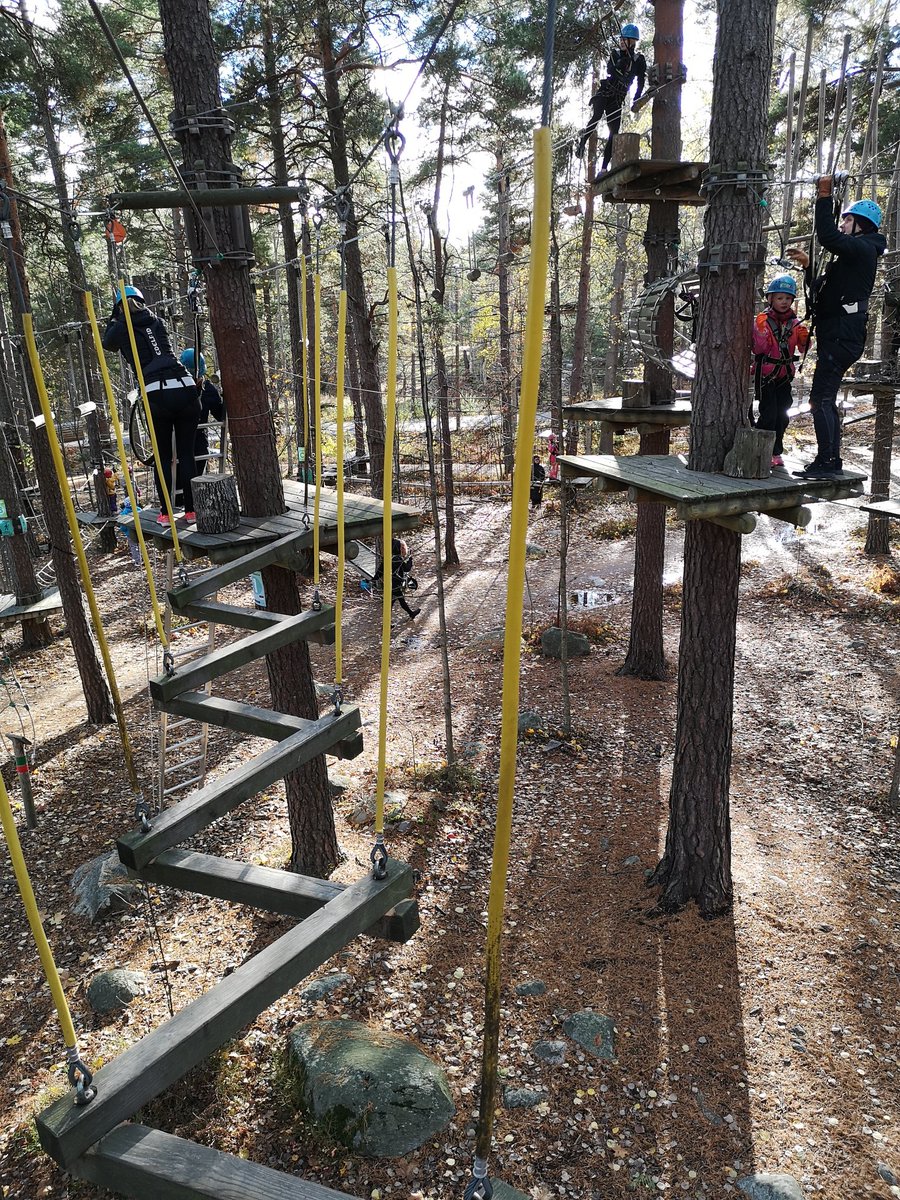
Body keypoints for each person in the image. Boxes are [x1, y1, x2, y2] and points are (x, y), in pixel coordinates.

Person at [787, 177, 886, 478]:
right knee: (824, 398)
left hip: (843, 335)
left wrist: (824, 196)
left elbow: (828, 237)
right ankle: (829, 460)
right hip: (840, 334)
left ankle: (828, 462)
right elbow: (822, 291)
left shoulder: (864, 249)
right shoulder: (855, 255)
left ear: (862, 224)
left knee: (821, 399)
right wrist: (808, 268)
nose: (843, 226)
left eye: (847, 221)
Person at [102, 286, 201, 524]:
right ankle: (191, 511)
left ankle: (167, 513)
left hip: (157, 392)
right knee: (187, 454)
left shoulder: (120, 327)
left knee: (164, 457)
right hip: (185, 386)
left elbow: (108, 343)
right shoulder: (156, 321)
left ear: (119, 307)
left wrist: (114, 317)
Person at [751, 275, 809, 468]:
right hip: (766, 375)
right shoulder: (763, 321)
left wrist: (805, 339)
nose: (784, 302)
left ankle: (775, 452)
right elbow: (758, 350)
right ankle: (759, 450)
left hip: (784, 375)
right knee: (770, 415)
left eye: (787, 298)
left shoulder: (795, 323)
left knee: (782, 416)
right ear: (771, 299)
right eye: (779, 298)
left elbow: (803, 349)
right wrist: (760, 333)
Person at [575, 23, 646, 174]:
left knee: (613, 133)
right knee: (597, 115)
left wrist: (637, 97)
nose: (620, 42)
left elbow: (640, 81)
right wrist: (619, 65)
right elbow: (610, 70)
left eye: (624, 40)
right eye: (620, 39)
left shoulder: (639, 60)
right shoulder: (615, 55)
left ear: (632, 41)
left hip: (617, 98)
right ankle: (582, 143)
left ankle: (603, 167)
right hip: (606, 91)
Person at [179, 348, 225, 479]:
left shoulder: (208, 390)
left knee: (194, 482)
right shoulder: (176, 388)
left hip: (198, 446)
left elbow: (220, 414)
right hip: (178, 446)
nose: (194, 380)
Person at [373, 537, 420, 620]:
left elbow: (380, 570)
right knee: (396, 601)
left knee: (398, 601)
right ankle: (389, 621)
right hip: (395, 584)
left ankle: (410, 614)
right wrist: (410, 559)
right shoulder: (398, 559)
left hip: (390, 584)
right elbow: (407, 568)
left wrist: (374, 579)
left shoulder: (388, 558)